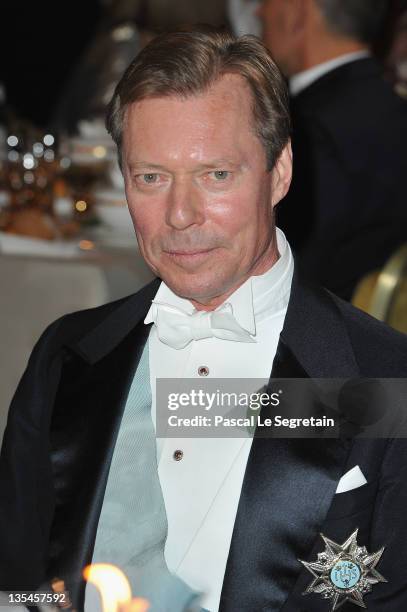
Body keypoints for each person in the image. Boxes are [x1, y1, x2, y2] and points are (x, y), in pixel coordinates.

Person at [0, 27, 407, 612]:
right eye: (151, 177)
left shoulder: (381, 376)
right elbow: (18, 582)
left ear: (280, 171)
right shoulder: (68, 356)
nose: (181, 216)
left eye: (216, 175)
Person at [258, 0, 407, 299]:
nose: (258, 12)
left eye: (266, 2)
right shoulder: (394, 109)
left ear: (296, 13)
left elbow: (289, 275)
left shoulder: (304, 130)